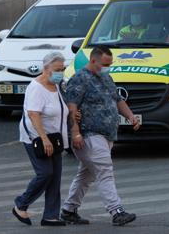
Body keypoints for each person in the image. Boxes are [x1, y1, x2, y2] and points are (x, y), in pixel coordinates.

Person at [60, 45, 141, 226]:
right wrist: (76, 134)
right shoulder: (80, 79)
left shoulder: (106, 77)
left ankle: (68, 210)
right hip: (89, 134)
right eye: (104, 64)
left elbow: (117, 100)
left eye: (110, 64)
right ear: (93, 60)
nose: (107, 67)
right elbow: (71, 108)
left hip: (107, 135)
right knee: (104, 170)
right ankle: (116, 211)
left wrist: (130, 116)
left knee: (86, 174)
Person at [12, 52, 69, 227]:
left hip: (55, 139)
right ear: (46, 69)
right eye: (57, 69)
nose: (61, 72)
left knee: (55, 177)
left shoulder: (56, 85)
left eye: (63, 69)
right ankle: (21, 203)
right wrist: (44, 139)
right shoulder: (36, 88)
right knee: (45, 173)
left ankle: (51, 215)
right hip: (37, 138)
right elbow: (33, 114)